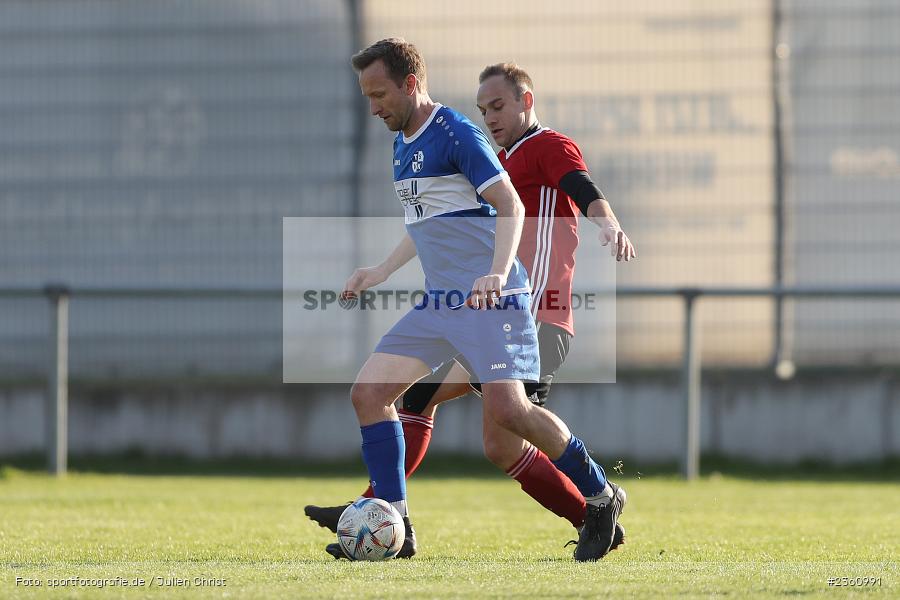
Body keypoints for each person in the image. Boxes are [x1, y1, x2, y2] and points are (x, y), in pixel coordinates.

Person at [308, 38, 627, 563]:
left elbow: (510, 205)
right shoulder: (401, 145)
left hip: (490, 302)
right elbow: (425, 225)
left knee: (509, 413)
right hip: (441, 305)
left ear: (411, 84)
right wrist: (380, 271)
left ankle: (598, 496)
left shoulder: (455, 132)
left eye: (380, 93)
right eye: (367, 96)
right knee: (369, 393)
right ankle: (396, 523)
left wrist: (497, 275)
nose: (373, 106)